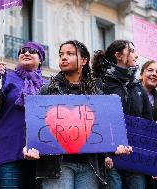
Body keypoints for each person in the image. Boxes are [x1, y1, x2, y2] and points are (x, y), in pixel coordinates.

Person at [23, 40, 132, 189]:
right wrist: (29, 147)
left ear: (84, 61)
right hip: (57, 165)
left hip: (90, 166)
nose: (64, 57)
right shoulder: (47, 91)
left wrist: (116, 148)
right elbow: (33, 127)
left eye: (70, 54)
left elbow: (105, 131)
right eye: (61, 54)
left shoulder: (98, 94)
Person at [0, 41, 46, 189]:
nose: (26, 53)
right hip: (8, 153)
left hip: (40, 155)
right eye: (22, 50)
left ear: (40, 59)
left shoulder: (48, 85)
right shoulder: (6, 77)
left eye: (31, 51)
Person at [92, 40, 153, 189]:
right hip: (111, 158)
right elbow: (96, 121)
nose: (136, 55)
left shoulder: (138, 87)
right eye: (131, 51)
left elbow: (148, 121)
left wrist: (153, 162)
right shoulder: (101, 83)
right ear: (118, 55)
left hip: (135, 156)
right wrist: (104, 154)